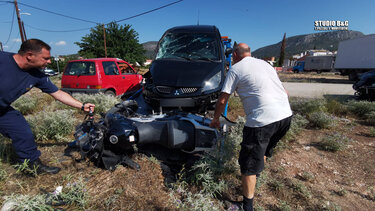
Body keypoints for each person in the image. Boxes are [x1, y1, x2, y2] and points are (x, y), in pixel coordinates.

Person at [210, 43, 292, 211]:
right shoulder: (265, 64)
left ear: (234, 55)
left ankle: (246, 207)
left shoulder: (236, 68)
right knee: (263, 151)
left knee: (247, 165)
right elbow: (286, 93)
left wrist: (215, 119)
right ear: (249, 53)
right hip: (285, 117)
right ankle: (257, 176)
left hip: (262, 122)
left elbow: (223, 99)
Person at [0, 39, 95, 175]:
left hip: (2, 111)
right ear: (29, 55)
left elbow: (57, 93)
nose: (49, 61)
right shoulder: (2, 59)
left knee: (22, 130)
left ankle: (32, 166)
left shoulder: (37, 75)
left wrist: (82, 106)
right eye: (46, 58)